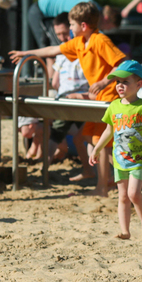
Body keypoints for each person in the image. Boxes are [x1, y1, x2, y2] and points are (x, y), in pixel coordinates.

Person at [9, 2, 126, 197]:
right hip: (99, 98)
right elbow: (53, 50)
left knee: (99, 142)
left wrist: (104, 81)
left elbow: (122, 63)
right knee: (84, 137)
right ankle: (118, 176)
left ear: (83, 26)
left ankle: (103, 187)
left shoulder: (99, 40)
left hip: (110, 97)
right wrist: (26, 53)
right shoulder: (80, 43)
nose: (69, 28)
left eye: (71, 25)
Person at [90, 60, 142, 240]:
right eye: (118, 82)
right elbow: (108, 131)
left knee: (134, 194)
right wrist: (96, 149)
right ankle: (125, 231)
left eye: (125, 82)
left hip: (139, 159)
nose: (120, 86)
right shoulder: (114, 106)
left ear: (139, 84)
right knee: (123, 196)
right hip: (120, 159)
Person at [47, 13, 92, 178]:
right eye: (58, 35)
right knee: (57, 134)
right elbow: (54, 81)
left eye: (65, 33)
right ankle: (44, 169)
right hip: (66, 100)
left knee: (84, 137)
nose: (62, 38)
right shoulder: (62, 53)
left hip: (83, 99)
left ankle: (90, 170)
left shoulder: (84, 49)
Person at [28, 0, 97, 48]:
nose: (71, 28)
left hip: (52, 11)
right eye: (71, 25)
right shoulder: (85, 9)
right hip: (39, 10)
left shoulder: (87, 7)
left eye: (72, 25)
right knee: (45, 44)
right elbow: (52, 50)